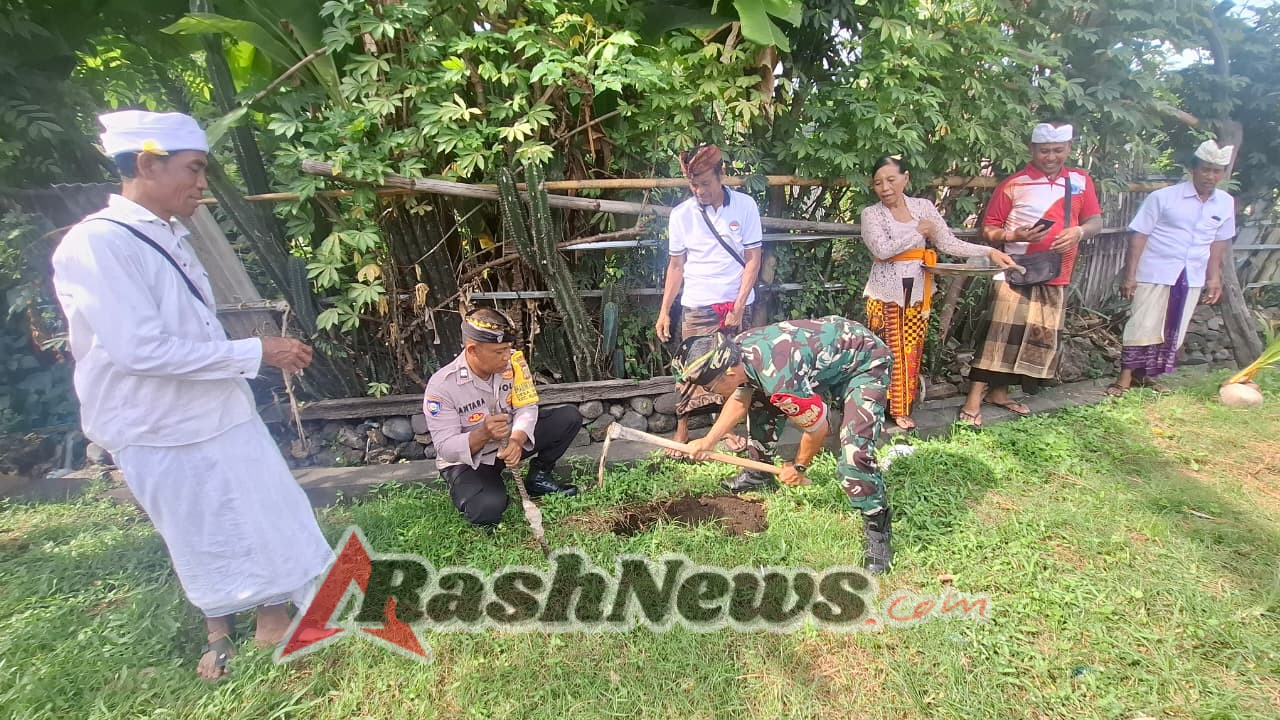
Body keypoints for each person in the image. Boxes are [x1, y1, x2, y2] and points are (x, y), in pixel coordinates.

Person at [50, 110, 334, 681]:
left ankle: (272, 613)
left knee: (261, 509)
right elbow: (141, 351)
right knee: (200, 527)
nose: (202, 184)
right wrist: (257, 353)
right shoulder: (97, 244)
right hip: (156, 422)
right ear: (148, 164)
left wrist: (247, 361)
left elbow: (189, 332)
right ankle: (217, 628)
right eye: (194, 169)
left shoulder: (173, 235)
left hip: (217, 407)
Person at [673, 317, 896, 573]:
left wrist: (799, 467)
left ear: (729, 373)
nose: (709, 393)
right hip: (829, 358)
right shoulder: (738, 352)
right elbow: (741, 397)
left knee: (853, 452)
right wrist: (709, 441)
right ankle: (758, 473)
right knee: (759, 399)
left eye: (709, 387)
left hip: (865, 362)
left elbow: (818, 427)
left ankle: (877, 526)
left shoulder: (779, 379)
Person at [957, 121, 1104, 426]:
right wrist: (1014, 236)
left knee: (1032, 338)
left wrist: (1078, 232)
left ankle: (1000, 393)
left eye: (1058, 150)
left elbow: (1095, 221)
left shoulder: (1080, 181)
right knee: (998, 337)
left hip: (1056, 271)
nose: (1051, 156)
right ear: (1032, 149)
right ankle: (973, 401)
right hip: (1014, 271)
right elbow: (988, 229)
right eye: (1044, 150)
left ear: (1069, 149)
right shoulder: (1013, 183)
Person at [860, 154, 1019, 430]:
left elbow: (947, 242)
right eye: (877, 183)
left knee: (911, 350)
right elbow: (882, 250)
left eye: (890, 180)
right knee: (886, 351)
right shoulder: (871, 214)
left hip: (918, 292)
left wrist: (989, 251)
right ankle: (873, 408)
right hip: (886, 294)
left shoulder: (923, 206)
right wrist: (917, 232)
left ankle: (900, 408)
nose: (885, 187)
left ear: (905, 178)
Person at [424, 308, 582, 529]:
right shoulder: (442, 386)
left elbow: (526, 406)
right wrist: (483, 434)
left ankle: (539, 477)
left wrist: (517, 440)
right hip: (471, 460)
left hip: (509, 443)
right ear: (472, 350)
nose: (507, 357)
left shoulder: (514, 365)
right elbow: (446, 448)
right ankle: (479, 487)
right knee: (487, 510)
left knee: (568, 417)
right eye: (499, 352)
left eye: (508, 349)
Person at [655, 143, 763, 456]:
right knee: (692, 368)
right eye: (693, 184)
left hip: (736, 303)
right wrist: (664, 311)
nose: (699, 190)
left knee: (735, 368)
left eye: (705, 183)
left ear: (722, 174)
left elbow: (753, 259)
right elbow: (676, 266)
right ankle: (682, 430)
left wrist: (740, 304)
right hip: (698, 303)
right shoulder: (681, 215)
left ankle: (727, 432)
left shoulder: (745, 206)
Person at [1108, 140, 1237, 395]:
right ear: (1193, 169)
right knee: (1143, 323)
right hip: (1156, 269)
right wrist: (1130, 275)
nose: (1210, 176)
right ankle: (1123, 379)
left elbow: (1218, 243)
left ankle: (1144, 377)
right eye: (1205, 169)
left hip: (1192, 274)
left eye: (1216, 171)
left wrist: (1214, 278)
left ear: (1223, 174)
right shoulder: (1164, 197)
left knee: (1172, 328)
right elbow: (1140, 235)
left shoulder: (1225, 203)